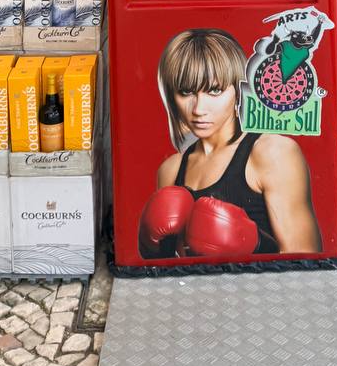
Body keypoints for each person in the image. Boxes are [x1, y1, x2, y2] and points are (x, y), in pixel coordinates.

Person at [138, 28, 322, 260]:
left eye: (214, 90)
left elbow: (306, 260)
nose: (198, 109)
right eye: (186, 92)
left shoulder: (272, 153)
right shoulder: (171, 170)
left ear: (237, 90)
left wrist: (256, 245)